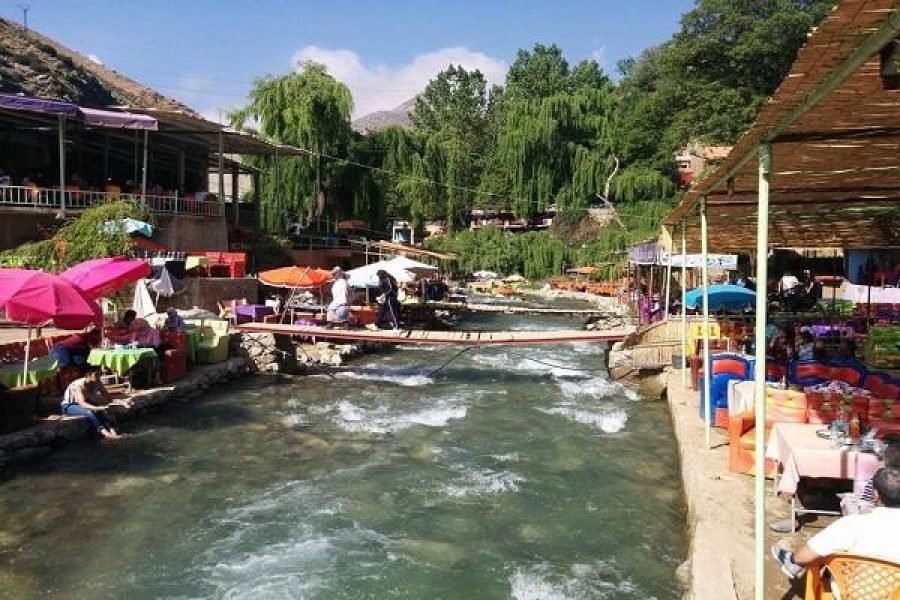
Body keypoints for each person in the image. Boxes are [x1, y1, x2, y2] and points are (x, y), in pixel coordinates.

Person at [772, 467, 900, 579]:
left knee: (833, 549)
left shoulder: (854, 523)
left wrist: (794, 559)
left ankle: (791, 564)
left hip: (854, 592)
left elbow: (802, 556)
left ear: (876, 494)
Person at [60, 368, 130, 439]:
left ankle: (113, 432)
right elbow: (82, 403)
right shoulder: (79, 385)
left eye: (99, 374)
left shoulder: (98, 383)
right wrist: (98, 408)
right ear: (88, 375)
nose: (98, 376)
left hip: (85, 403)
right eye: (96, 374)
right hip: (69, 406)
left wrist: (122, 402)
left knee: (101, 411)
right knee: (90, 412)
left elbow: (109, 399)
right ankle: (106, 434)